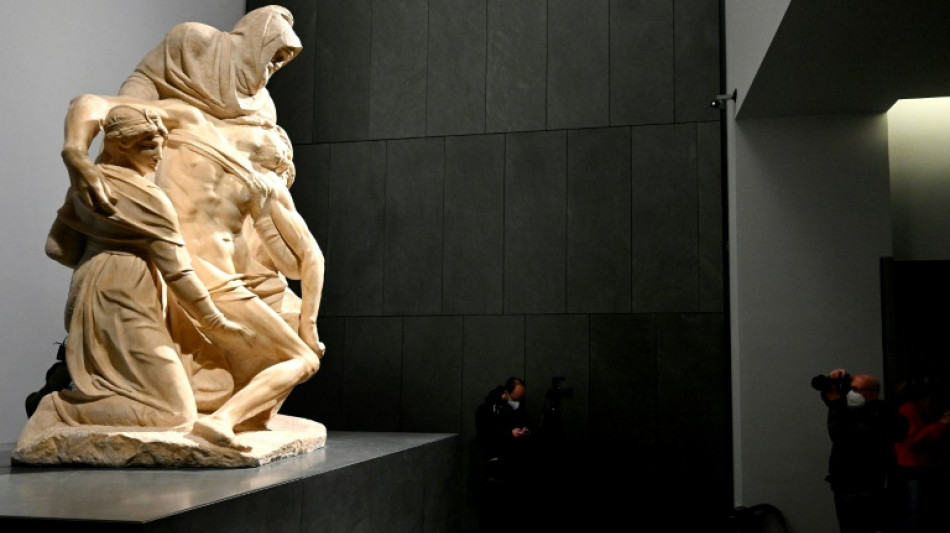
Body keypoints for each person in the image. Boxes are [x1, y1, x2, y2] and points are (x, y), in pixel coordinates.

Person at [61, 6, 326, 451]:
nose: (276, 147)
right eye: (275, 52)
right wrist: (78, 153)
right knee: (297, 354)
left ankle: (223, 415)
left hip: (217, 276)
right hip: (190, 268)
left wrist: (302, 313)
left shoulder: (261, 179)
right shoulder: (189, 116)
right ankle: (220, 418)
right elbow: (102, 104)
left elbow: (302, 259)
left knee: (285, 325)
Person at [18, 105, 251, 451]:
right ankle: (58, 408)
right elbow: (178, 272)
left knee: (139, 385)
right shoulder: (149, 198)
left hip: (91, 287)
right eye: (148, 145)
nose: (159, 154)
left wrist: (101, 252)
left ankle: (75, 401)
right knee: (174, 411)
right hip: (126, 294)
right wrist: (216, 321)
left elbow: (57, 247)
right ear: (119, 145)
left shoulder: (88, 183)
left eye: (161, 144)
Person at [817, 368, 907, 533]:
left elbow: (841, 433)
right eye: (849, 389)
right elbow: (832, 400)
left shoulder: (883, 412)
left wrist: (837, 404)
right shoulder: (848, 410)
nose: (850, 394)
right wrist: (832, 383)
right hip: (845, 484)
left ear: (873, 392)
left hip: (869, 485)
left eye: (855, 389)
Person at [891, 373, 950, 532]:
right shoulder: (908, 410)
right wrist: (940, 424)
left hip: (919, 467)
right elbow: (914, 441)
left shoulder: (915, 409)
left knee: (918, 513)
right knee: (914, 513)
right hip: (912, 468)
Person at [474, 377, 535, 531]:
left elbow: (525, 421)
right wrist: (509, 434)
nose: (518, 402)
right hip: (496, 465)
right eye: (515, 399)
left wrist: (526, 431)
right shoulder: (488, 409)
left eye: (520, 399)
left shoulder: (518, 407)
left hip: (514, 463)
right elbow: (487, 433)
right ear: (506, 393)